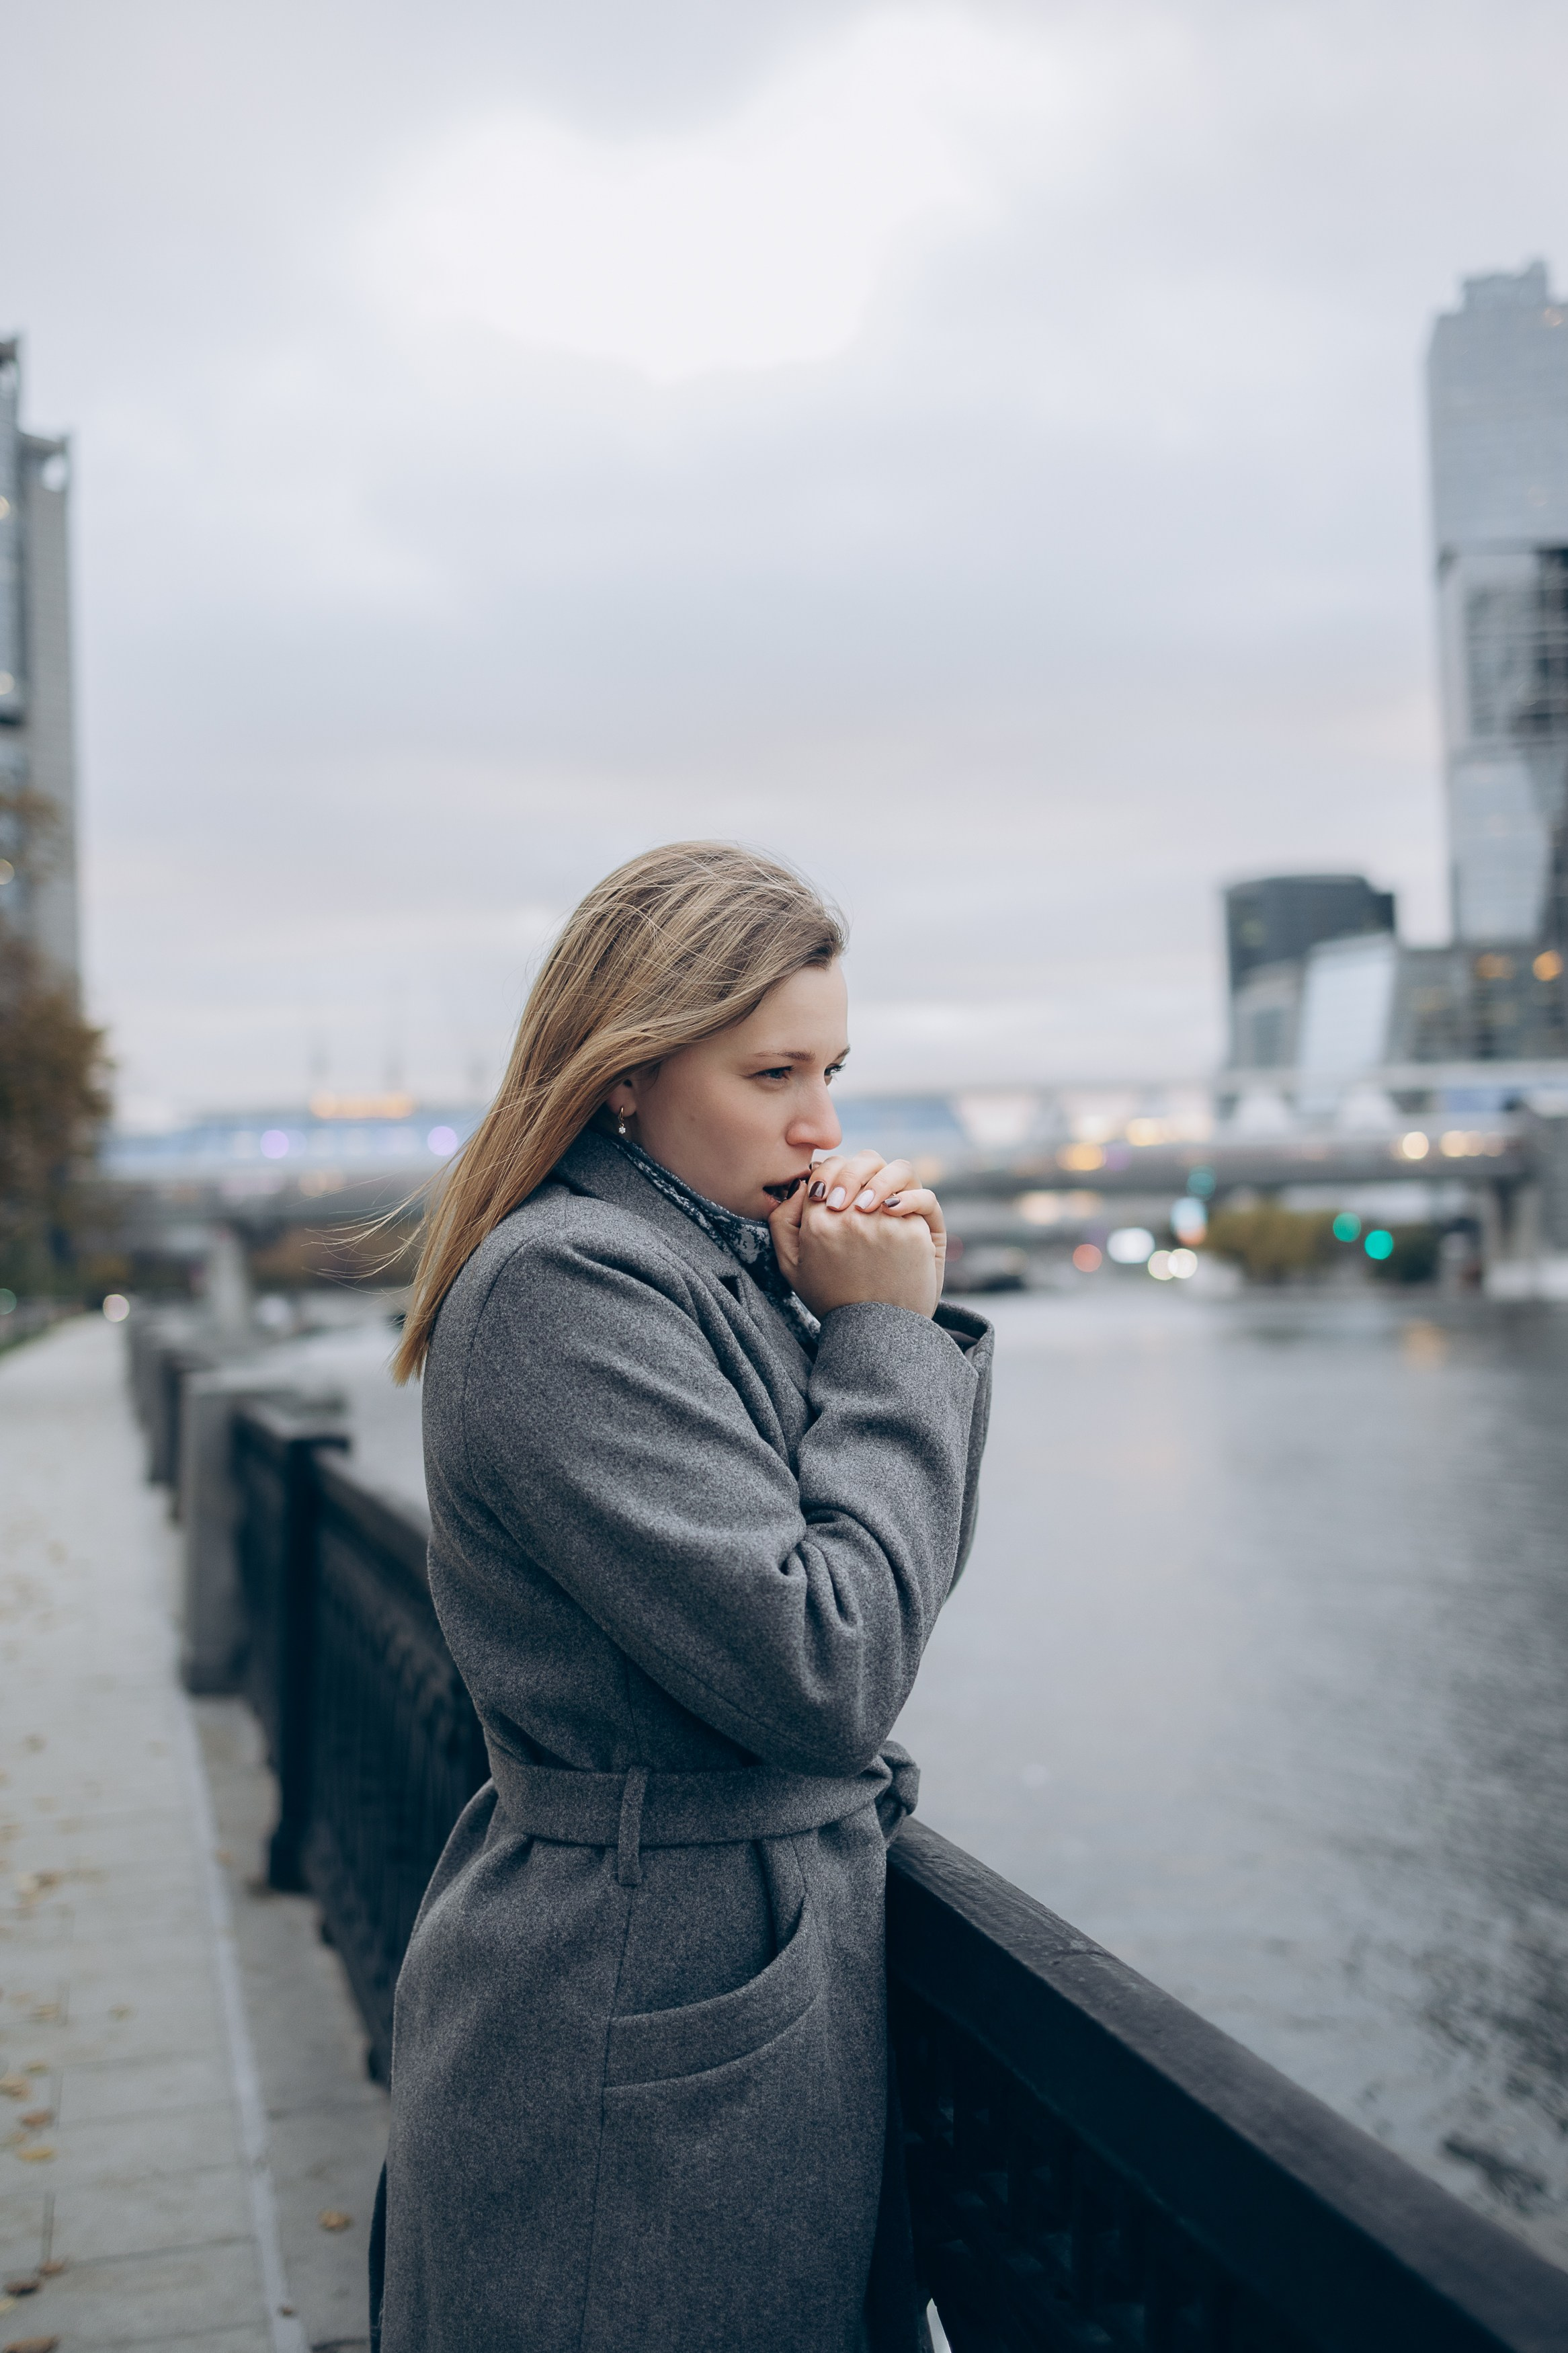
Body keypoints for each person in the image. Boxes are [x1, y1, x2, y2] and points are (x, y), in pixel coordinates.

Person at [374, 842, 992, 2353]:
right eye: (772, 1072)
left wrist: (882, 1320)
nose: (820, 1123)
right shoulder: (569, 1289)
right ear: (626, 1075)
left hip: (709, 1966)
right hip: (639, 2005)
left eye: (831, 1070)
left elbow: (881, 1587)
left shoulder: (709, 1265)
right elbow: (831, 1667)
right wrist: (887, 1341)